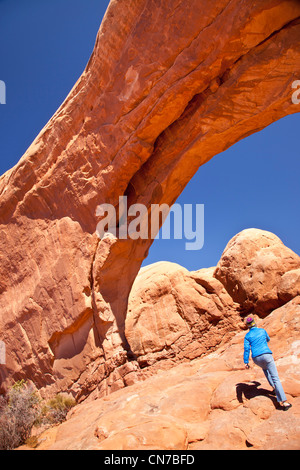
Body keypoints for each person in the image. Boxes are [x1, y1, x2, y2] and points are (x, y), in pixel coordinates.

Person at [243, 316, 292, 410]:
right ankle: (284, 402)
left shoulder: (247, 336)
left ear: (248, 326)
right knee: (275, 378)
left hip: (256, 358)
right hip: (266, 355)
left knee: (265, 369)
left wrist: (246, 362)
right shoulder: (262, 330)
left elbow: (246, 349)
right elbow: (268, 339)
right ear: (255, 323)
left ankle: (274, 388)